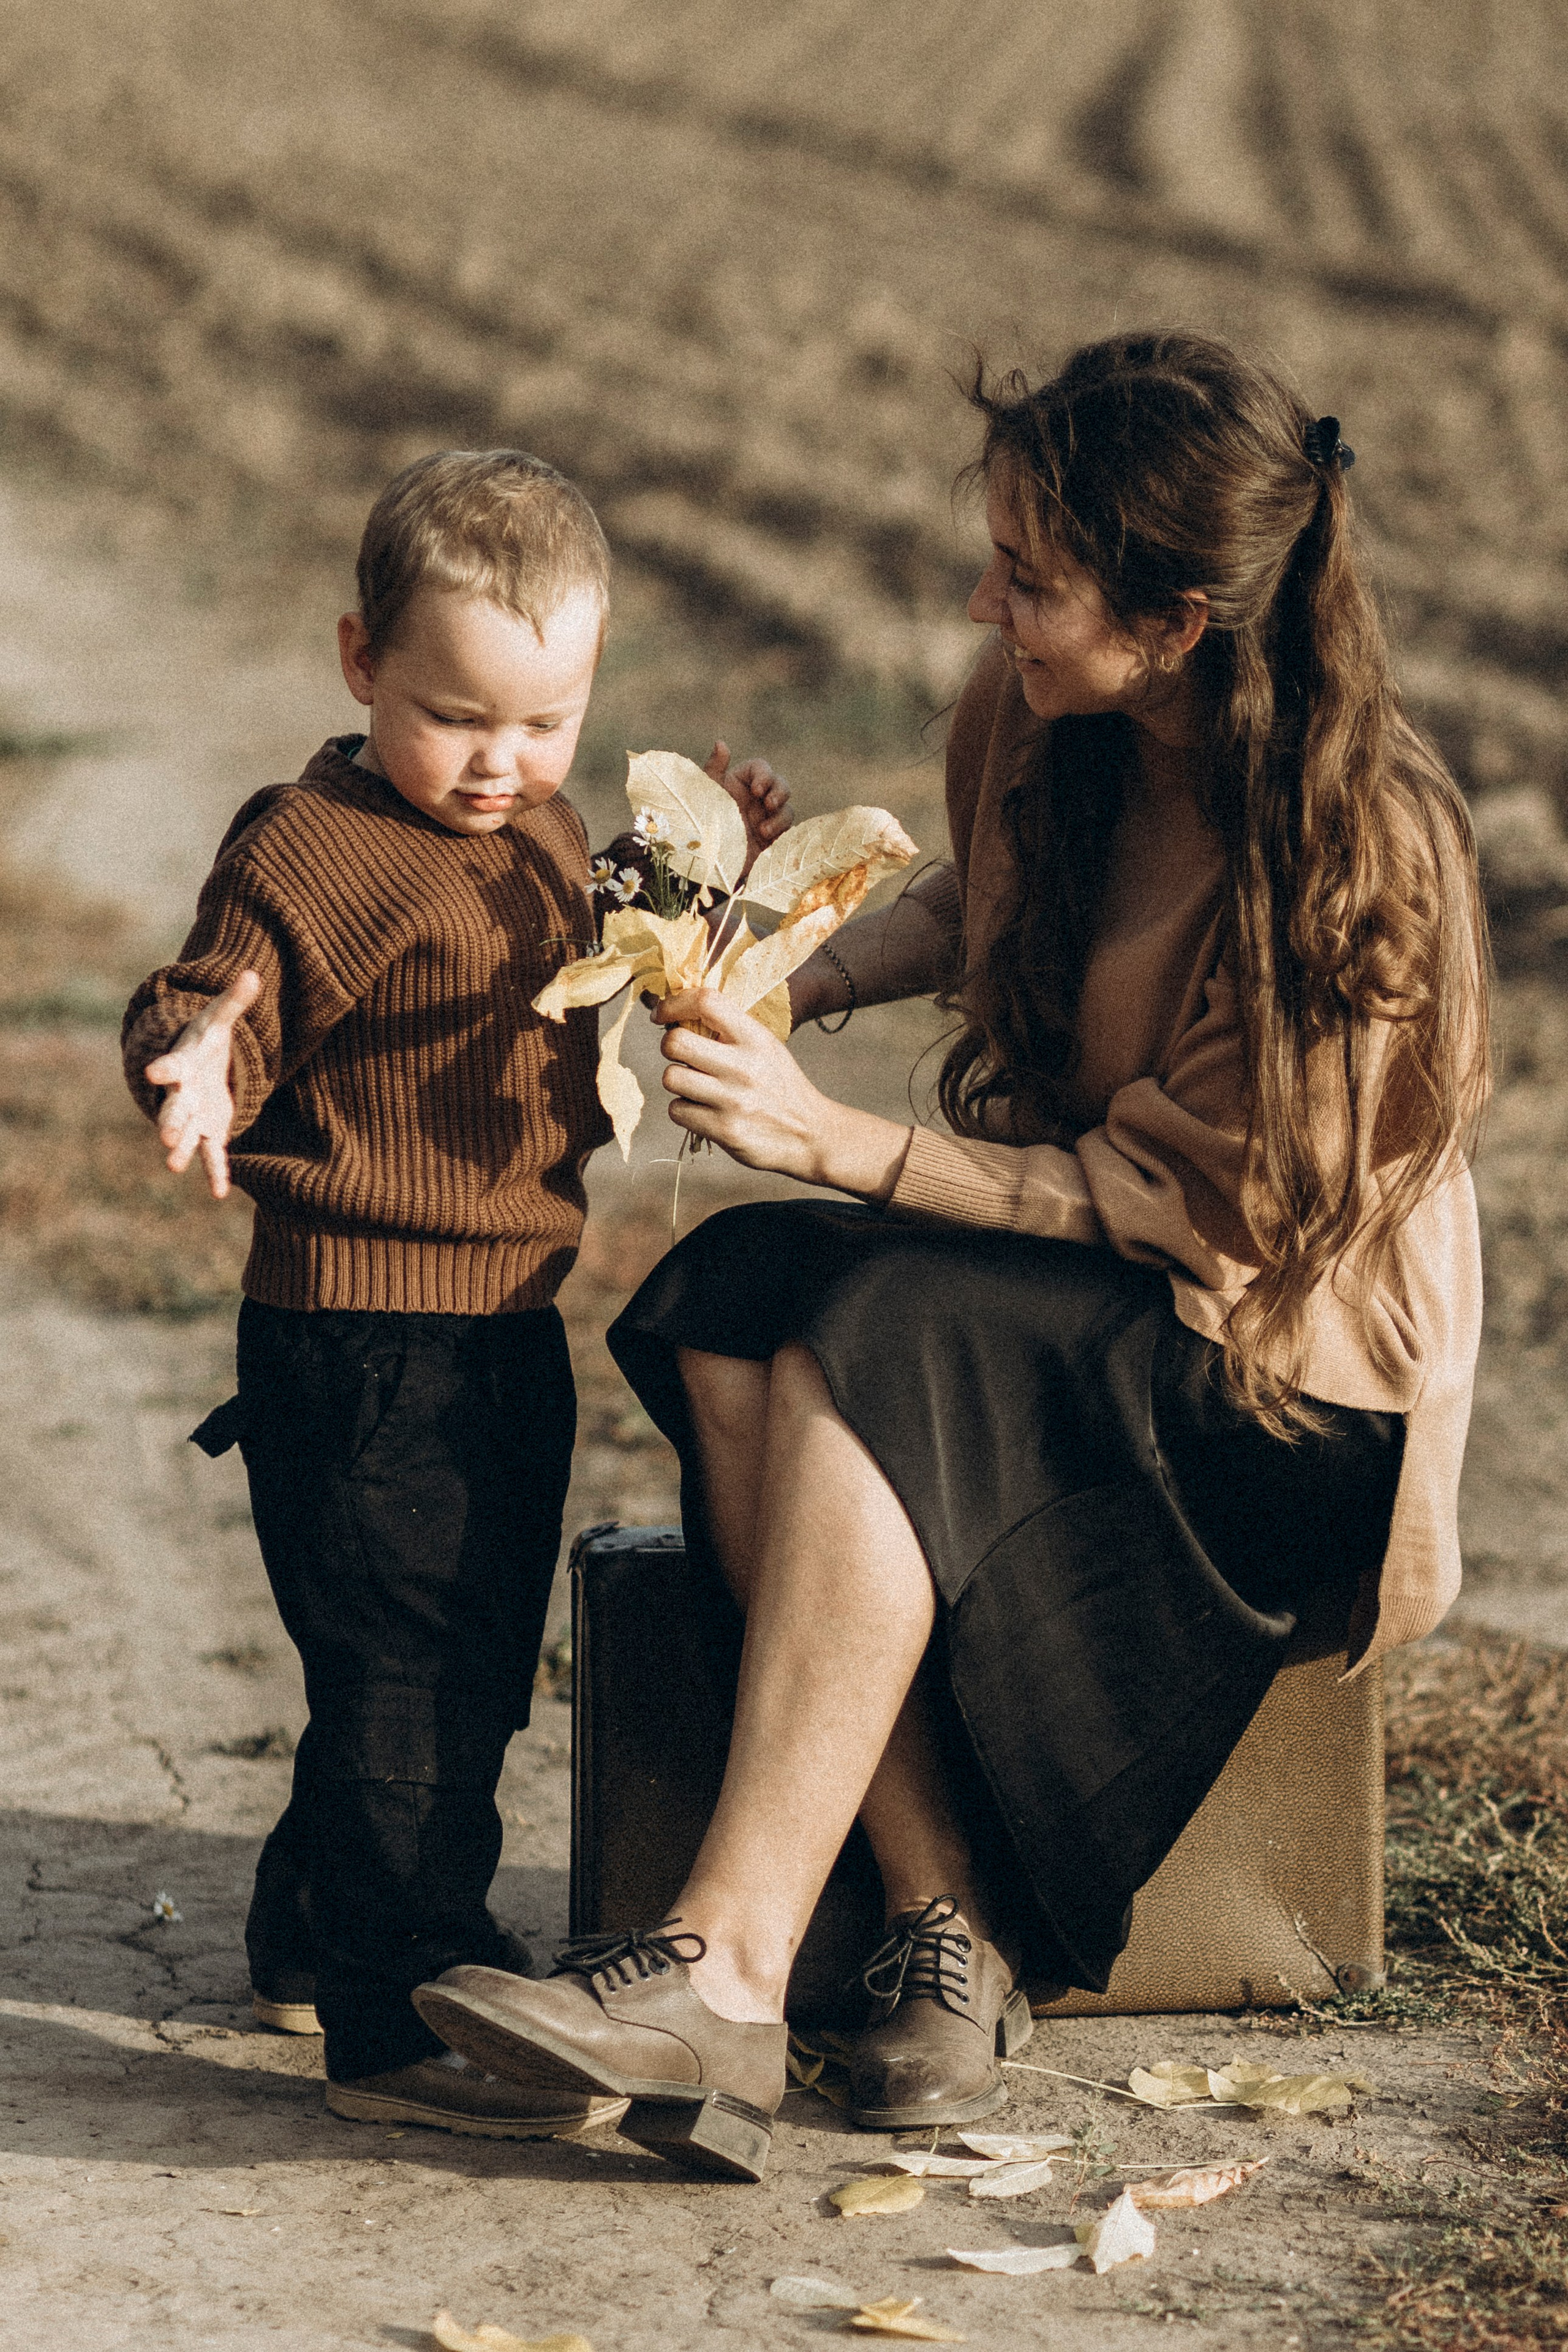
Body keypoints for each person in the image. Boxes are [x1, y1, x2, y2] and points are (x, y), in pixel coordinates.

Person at [412, 333, 1491, 2184]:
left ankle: (729, 1963)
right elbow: (974, 900)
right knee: (736, 1294)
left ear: (1181, 619)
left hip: (1285, 1392)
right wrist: (798, 969)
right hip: (1107, 1302)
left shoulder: (1354, 849)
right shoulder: (1040, 713)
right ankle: (942, 1920)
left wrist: (849, 1146)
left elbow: (1204, 1217)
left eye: (1034, 576)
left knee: (884, 1313)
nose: (986, 600)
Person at [120, 448, 789, 2137]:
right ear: (361, 663)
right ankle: (396, 2009)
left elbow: (578, 937)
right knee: (407, 1670)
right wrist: (197, 1064)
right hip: (364, 1337)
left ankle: (310, 1923)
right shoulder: (320, 846)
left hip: (497, 1317)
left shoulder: (535, 826)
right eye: (457, 716)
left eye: (545, 721)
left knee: (464, 1661)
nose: (502, 763)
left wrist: (715, 869)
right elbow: (229, 987)